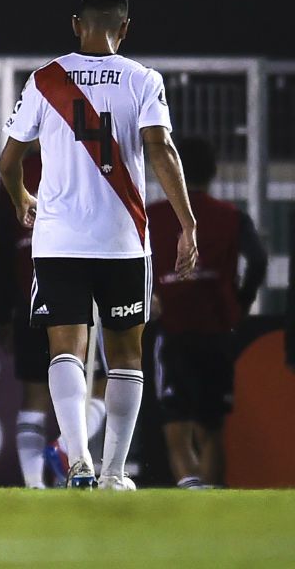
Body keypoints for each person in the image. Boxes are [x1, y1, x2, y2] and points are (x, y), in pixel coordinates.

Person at [0, 0, 199, 490]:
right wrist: (187, 222)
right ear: (124, 29)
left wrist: (22, 197)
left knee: (65, 350)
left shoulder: (46, 79)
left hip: (60, 240)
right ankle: (112, 472)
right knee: (125, 355)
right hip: (123, 239)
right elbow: (162, 150)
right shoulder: (142, 80)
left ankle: (79, 463)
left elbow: (8, 160)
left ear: (75, 26)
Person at [146, 136, 267, 488]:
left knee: (176, 430)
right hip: (217, 332)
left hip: (173, 331)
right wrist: (241, 301)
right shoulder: (231, 216)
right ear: (214, 172)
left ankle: (191, 496)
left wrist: (151, 295)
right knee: (212, 429)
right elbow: (257, 260)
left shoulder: (154, 216)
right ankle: (210, 501)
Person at [0, 148, 58, 486]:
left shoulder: (12, 173)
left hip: (27, 296)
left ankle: (35, 483)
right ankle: (67, 455)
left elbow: (1, 248)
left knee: (36, 394)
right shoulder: (77, 157)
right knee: (92, 387)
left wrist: (2, 310)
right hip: (74, 289)